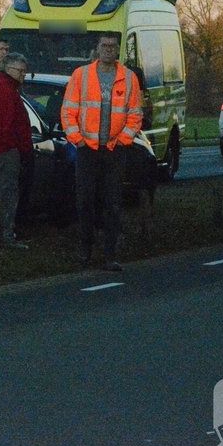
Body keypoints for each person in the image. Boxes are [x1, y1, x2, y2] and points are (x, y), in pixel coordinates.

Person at [61, 32, 142, 271]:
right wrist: (79, 140)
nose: (108, 49)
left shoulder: (129, 78)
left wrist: (123, 140)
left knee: (113, 203)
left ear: (118, 50)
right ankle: (85, 249)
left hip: (114, 151)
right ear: (96, 49)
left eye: (112, 46)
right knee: (85, 201)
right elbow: (68, 111)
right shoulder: (81, 75)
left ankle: (110, 254)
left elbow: (135, 114)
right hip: (88, 150)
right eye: (104, 45)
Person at [0, 52, 34, 248]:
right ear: (9, 69)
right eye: (21, 71)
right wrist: (17, 147)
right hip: (4, 151)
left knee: (1, 193)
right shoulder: (4, 90)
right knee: (6, 194)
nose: (23, 75)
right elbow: (5, 126)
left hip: (0, 148)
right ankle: (4, 237)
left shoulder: (3, 87)